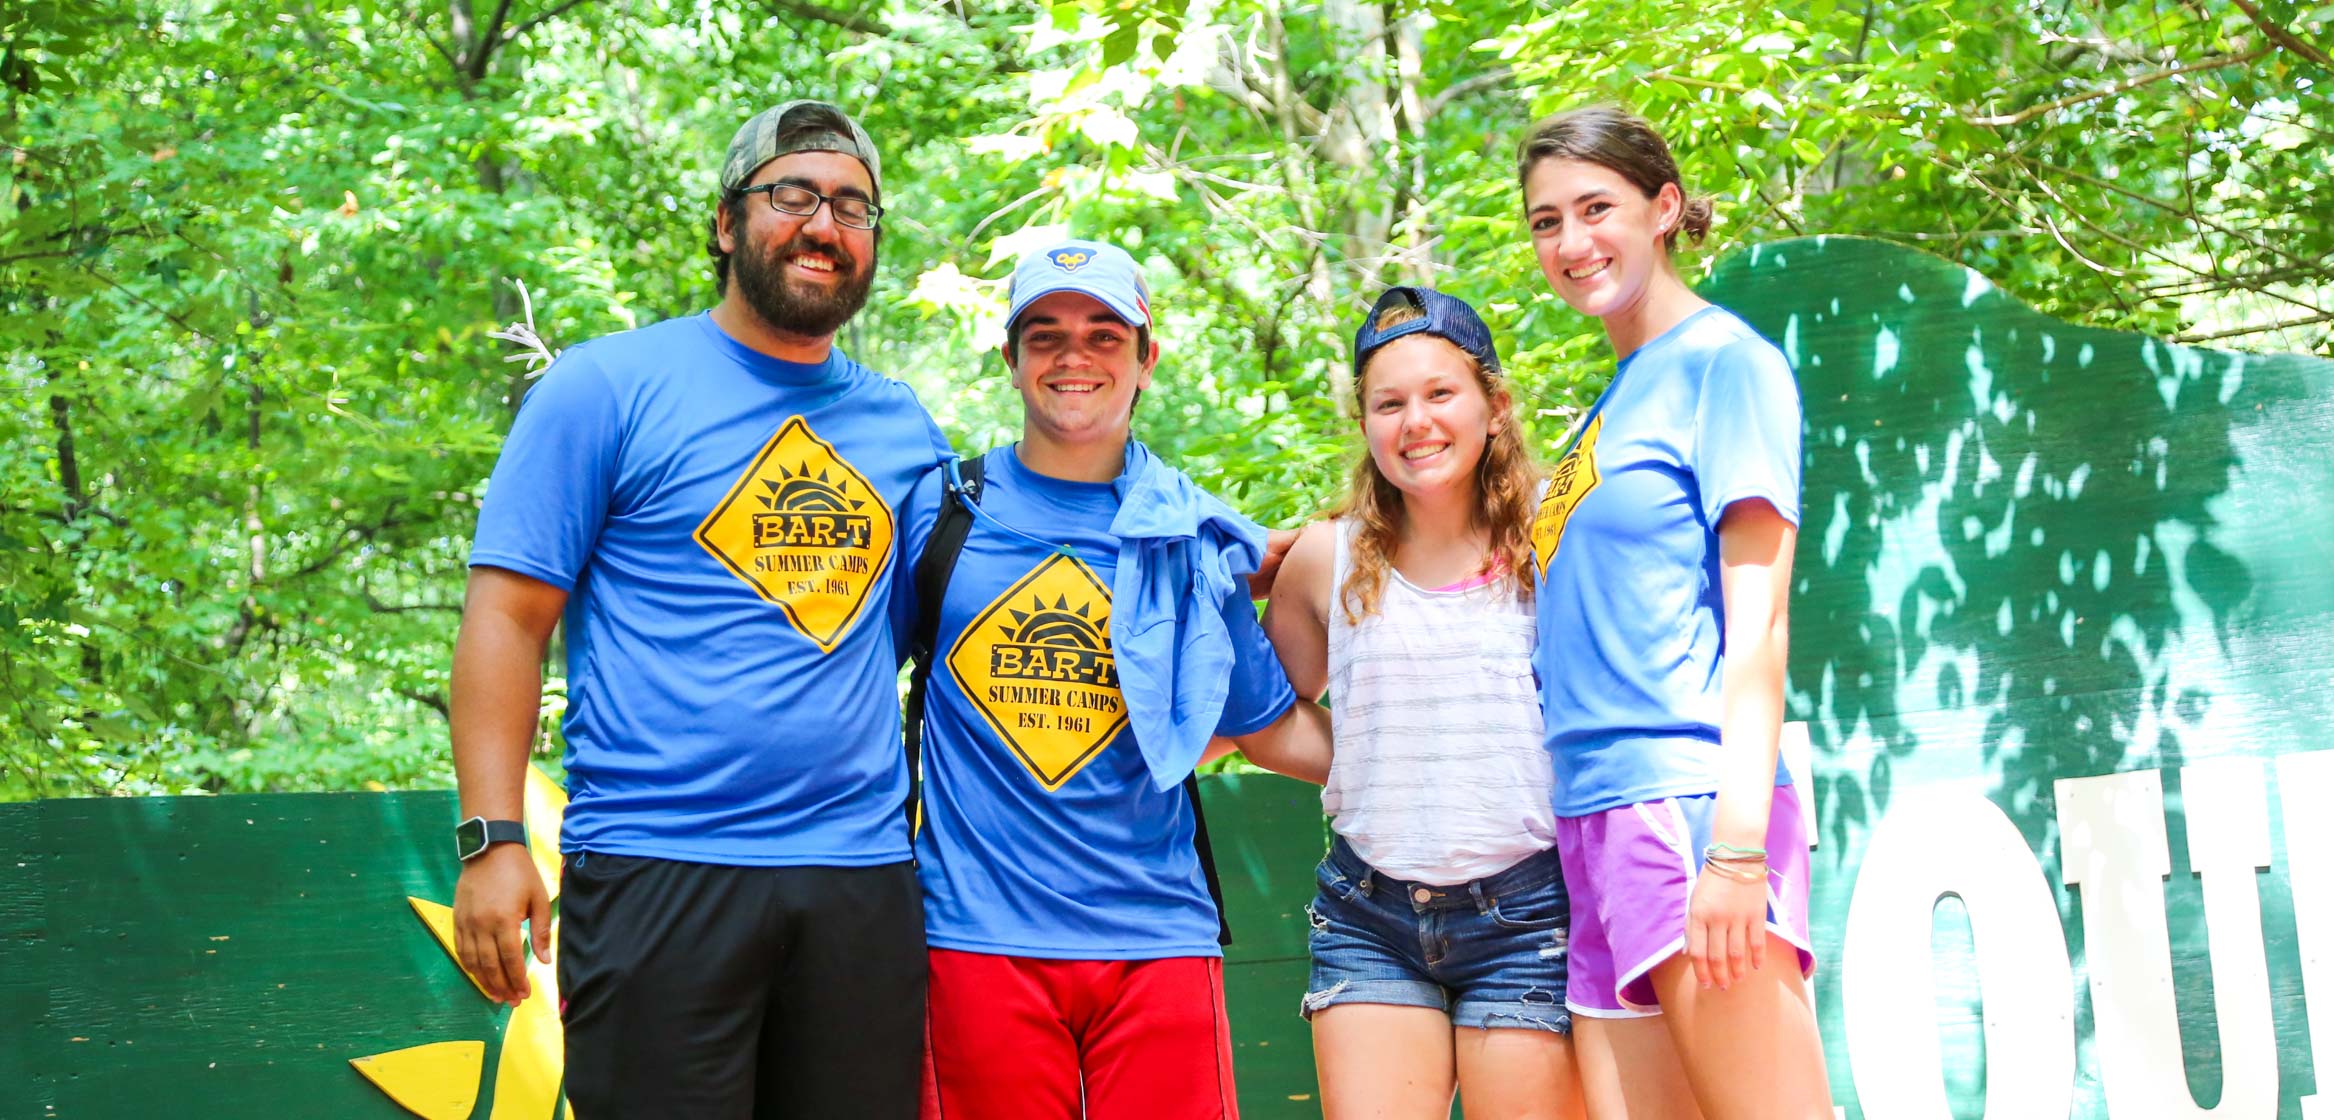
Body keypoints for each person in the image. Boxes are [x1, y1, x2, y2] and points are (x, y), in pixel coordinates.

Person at [448, 99, 949, 1118]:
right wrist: (493, 839)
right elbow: (506, 619)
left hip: (860, 881)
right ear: (727, 224)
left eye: (853, 206)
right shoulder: (606, 388)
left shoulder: (902, 428)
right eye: (793, 194)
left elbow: (941, 625)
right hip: (655, 866)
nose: (824, 225)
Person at [900, 238, 1316, 1119]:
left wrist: (1454, 754)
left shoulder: (1192, 537)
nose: (1073, 356)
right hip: (977, 940)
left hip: (1158, 939)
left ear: (1145, 359)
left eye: (1103, 334)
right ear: (1010, 359)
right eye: (1044, 335)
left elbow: (1272, 728)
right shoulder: (940, 516)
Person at [1515, 104, 1832, 1120]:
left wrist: (1738, 849)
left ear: (1662, 207)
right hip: (1592, 815)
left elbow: (1762, 620)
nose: (1571, 243)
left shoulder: (1724, 365)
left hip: (1689, 807)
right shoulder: (1612, 403)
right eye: (1545, 222)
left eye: (1595, 208)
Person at [1245, 285, 1590, 1118]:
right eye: (1387, 403)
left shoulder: (1556, 535)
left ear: (1494, 407)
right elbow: (1264, 719)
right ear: (1364, 423)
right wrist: (1375, 755)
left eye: (1440, 394)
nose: (1415, 421)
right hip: (1371, 915)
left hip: (1529, 915)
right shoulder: (1328, 555)